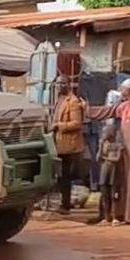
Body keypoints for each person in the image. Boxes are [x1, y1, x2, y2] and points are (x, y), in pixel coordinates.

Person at [83, 78, 130, 225]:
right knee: (127, 183)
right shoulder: (124, 106)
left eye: (122, 89)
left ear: (129, 90)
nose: (120, 91)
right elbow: (107, 111)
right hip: (126, 151)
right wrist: (87, 109)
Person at [50, 74, 84, 215]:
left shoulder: (73, 101)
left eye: (62, 84)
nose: (60, 86)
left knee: (65, 176)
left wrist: (59, 125)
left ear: (68, 84)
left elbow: (77, 123)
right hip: (59, 142)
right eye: (58, 84)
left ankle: (65, 204)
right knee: (60, 175)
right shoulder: (59, 99)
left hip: (69, 145)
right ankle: (63, 202)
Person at [96, 124, 123, 226]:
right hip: (104, 171)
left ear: (111, 133)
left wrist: (105, 158)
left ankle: (114, 216)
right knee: (105, 194)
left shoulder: (118, 145)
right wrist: (100, 147)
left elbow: (117, 159)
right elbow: (98, 158)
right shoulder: (103, 145)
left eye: (105, 132)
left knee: (114, 195)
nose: (103, 134)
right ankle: (106, 217)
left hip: (114, 171)